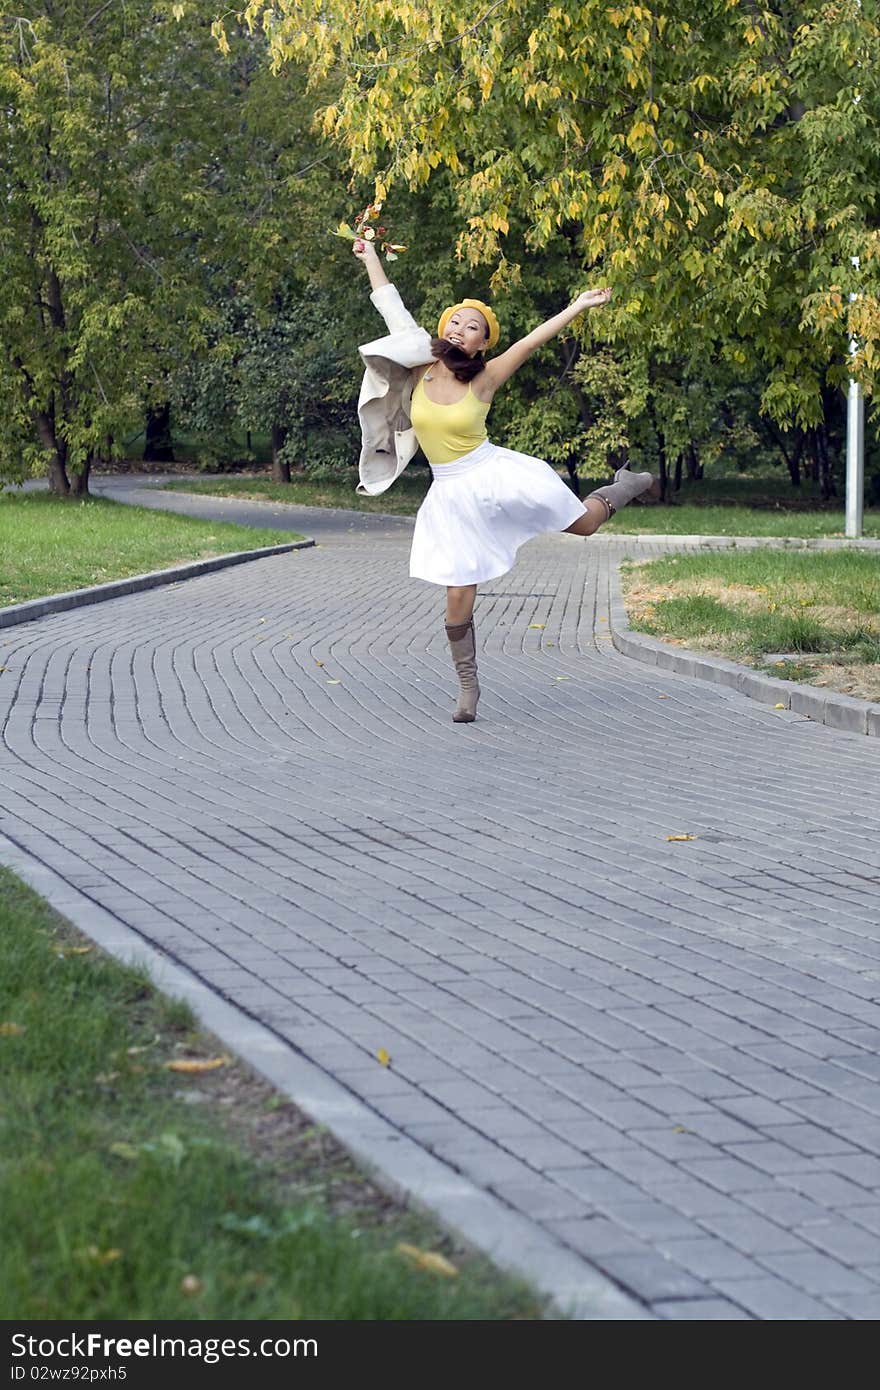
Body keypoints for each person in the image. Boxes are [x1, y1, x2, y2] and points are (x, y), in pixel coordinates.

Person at [353, 237, 657, 724]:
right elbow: (390, 303)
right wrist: (370, 255)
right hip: (450, 494)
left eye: (472, 327)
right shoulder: (419, 364)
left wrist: (578, 305)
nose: (460, 329)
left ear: (481, 343)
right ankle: (468, 688)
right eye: (455, 320)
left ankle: (627, 484)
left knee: (583, 525)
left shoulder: (484, 379)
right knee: (456, 594)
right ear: (442, 328)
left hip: (493, 475)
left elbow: (531, 341)